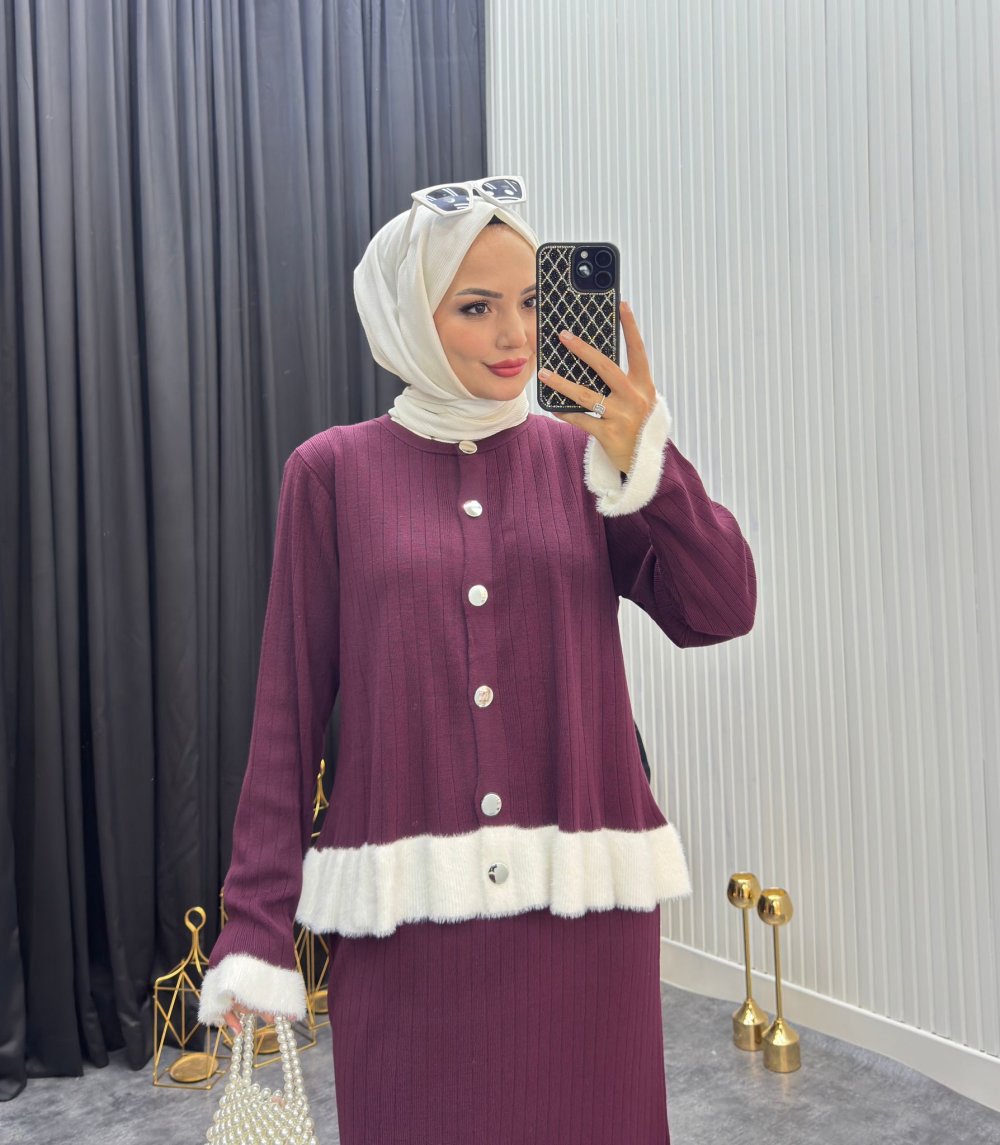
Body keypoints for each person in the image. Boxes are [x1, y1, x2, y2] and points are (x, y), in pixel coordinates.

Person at [198, 180, 756, 1143]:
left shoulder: (582, 460)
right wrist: (255, 924)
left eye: (532, 302)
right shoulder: (331, 474)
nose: (514, 335)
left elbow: (721, 610)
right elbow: (288, 712)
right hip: (409, 934)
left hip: (585, 919)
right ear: (410, 316)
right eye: (475, 306)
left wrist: (650, 462)